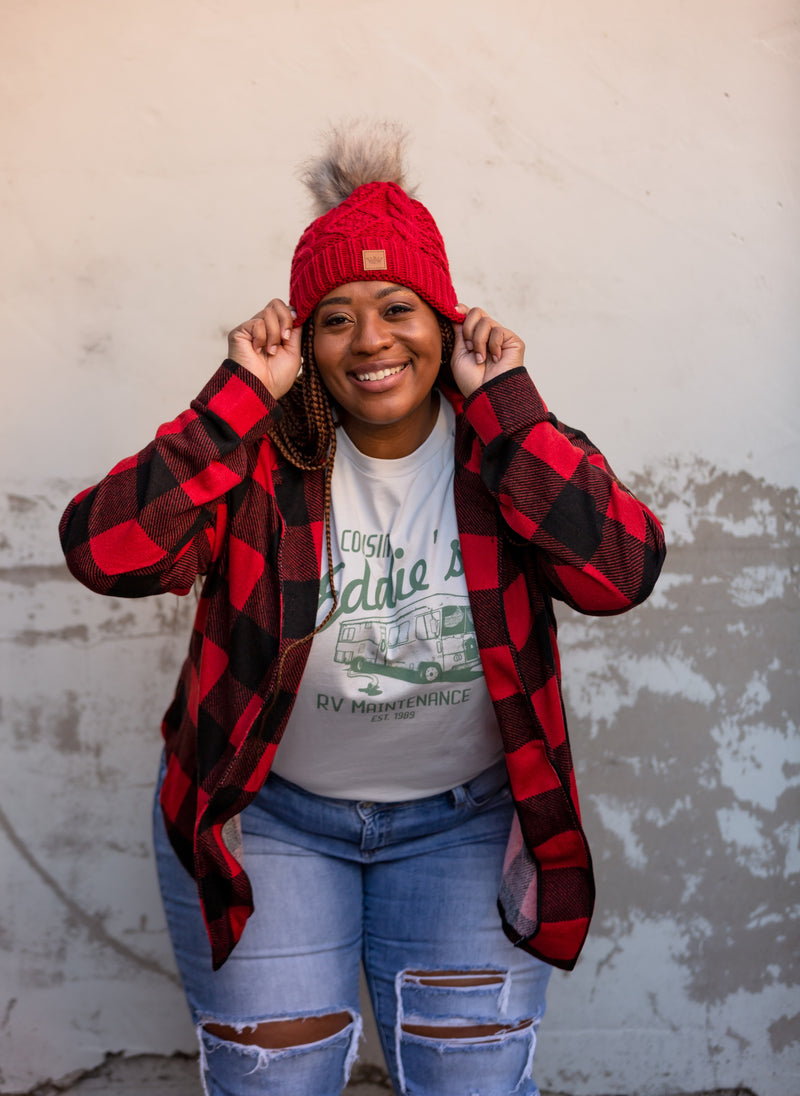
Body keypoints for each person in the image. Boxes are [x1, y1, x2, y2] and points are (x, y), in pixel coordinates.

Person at [59, 121, 666, 1096]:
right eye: (334, 316)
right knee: (273, 1084)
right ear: (303, 340)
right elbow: (103, 552)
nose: (370, 338)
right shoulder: (255, 461)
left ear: (445, 320)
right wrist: (232, 399)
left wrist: (508, 400)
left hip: (463, 828)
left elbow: (620, 570)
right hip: (270, 824)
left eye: (396, 306)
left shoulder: (501, 452)